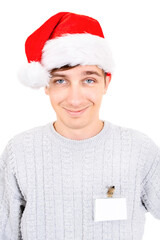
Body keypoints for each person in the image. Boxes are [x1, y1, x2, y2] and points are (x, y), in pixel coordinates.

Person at [0, 11, 160, 240]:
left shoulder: (140, 150)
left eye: (89, 80)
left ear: (106, 82)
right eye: (61, 80)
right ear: (46, 85)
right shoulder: (19, 151)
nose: (75, 99)